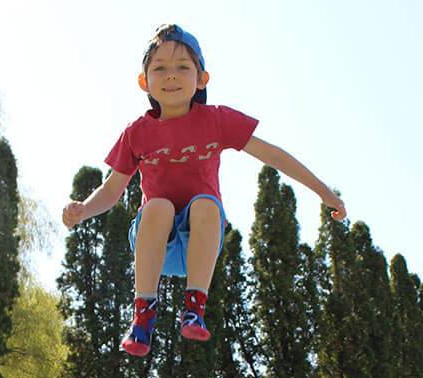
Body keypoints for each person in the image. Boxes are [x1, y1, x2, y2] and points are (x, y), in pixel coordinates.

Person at [62, 24, 346, 357]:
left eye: (182, 67)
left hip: (201, 240)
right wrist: (83, 210)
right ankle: (142, 316)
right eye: (160, 68)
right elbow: (112, 190)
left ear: (201, 79)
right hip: (156, 242)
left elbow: (272, 154)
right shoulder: (137, 133)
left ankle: (194, 305)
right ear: (144, 81)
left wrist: (322, 191)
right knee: (159, 206)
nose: (171, 76)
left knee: (206, 205)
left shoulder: (215, 120)